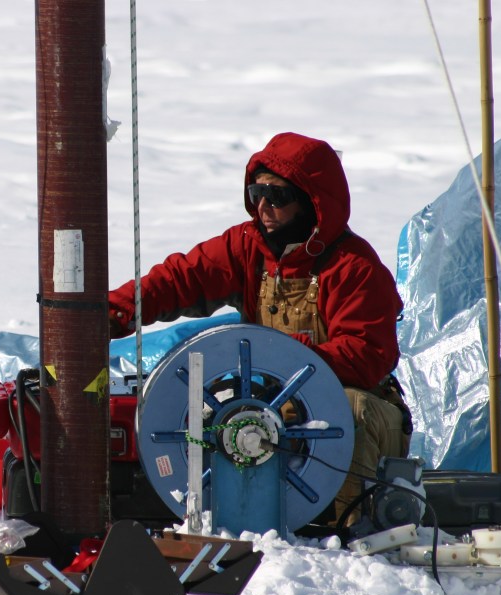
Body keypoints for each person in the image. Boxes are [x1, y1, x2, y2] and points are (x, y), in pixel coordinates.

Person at [108, 132, 412, 526]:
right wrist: (109, 313)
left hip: (365, 415)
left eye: (278, 196)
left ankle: (352, 532)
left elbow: (368, 357)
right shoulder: (248, 246)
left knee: (345, 409)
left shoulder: (356, 269)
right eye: (256, 193)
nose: (264, 206)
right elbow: (179, 279)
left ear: (310, 201)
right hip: (278, 404)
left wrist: (282, 354)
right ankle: (228, 519)